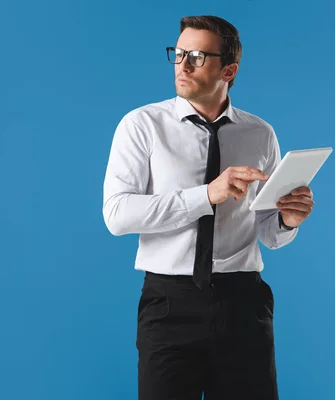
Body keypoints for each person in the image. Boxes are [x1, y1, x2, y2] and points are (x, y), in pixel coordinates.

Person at [102, 15, 315, 400]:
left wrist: (287, 220)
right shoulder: (142, 126)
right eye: (179, 53)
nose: (182, 66)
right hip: (169, 304)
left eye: (197, 56)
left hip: (243, 301)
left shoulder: (259, 133)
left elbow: (266, 232)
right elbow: (117, 215)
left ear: (228, 70)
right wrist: (205, 195)